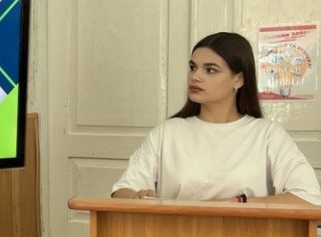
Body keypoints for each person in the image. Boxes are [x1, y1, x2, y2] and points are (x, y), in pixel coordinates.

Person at [111, 31, 321, 205]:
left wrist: (239, 203)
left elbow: (309, 197)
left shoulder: (267, 134)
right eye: (193, 67)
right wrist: (135, 197)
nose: (195, 76)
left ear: (238, 79)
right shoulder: (168, 132)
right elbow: (123, 189)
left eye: (210, 70)